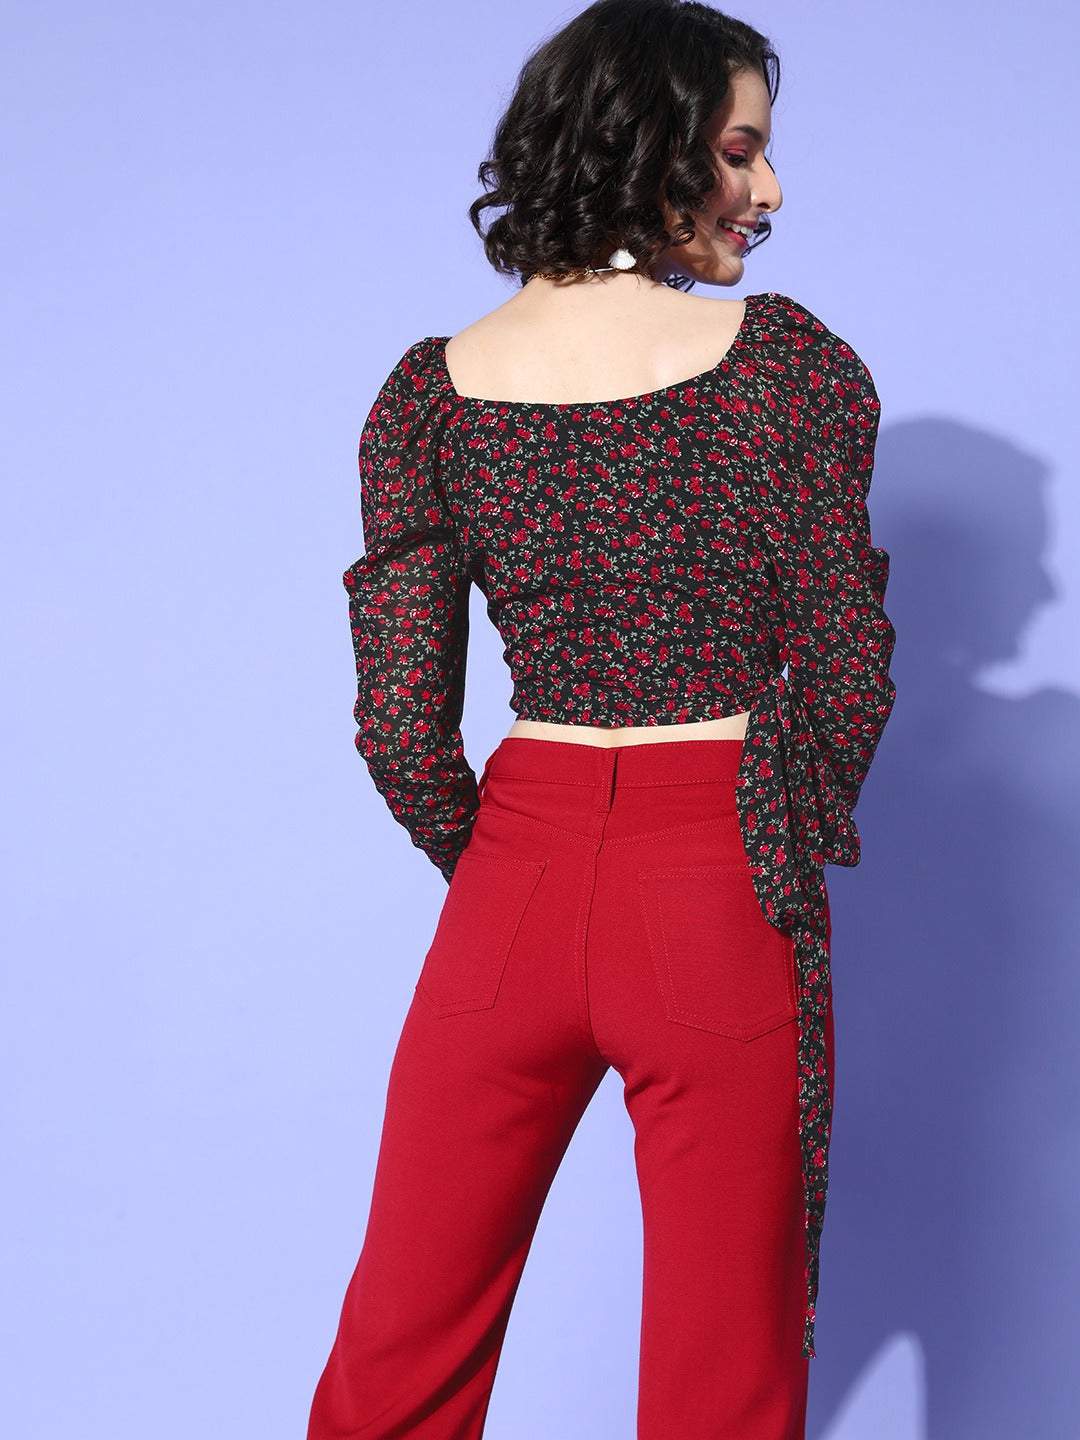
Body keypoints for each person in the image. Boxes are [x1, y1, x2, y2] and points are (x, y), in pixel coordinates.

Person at [307, 1, 897, 1436]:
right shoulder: (787, 370)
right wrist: (774, 843)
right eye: (742, 151)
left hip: (513, 877)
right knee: (723, 1368)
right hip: (721, 870)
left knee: (404, 1344)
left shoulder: (428, 397)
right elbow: (844, 666)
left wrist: (508, 866)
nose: (770, 189)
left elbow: (400, 728)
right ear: (651, 147)